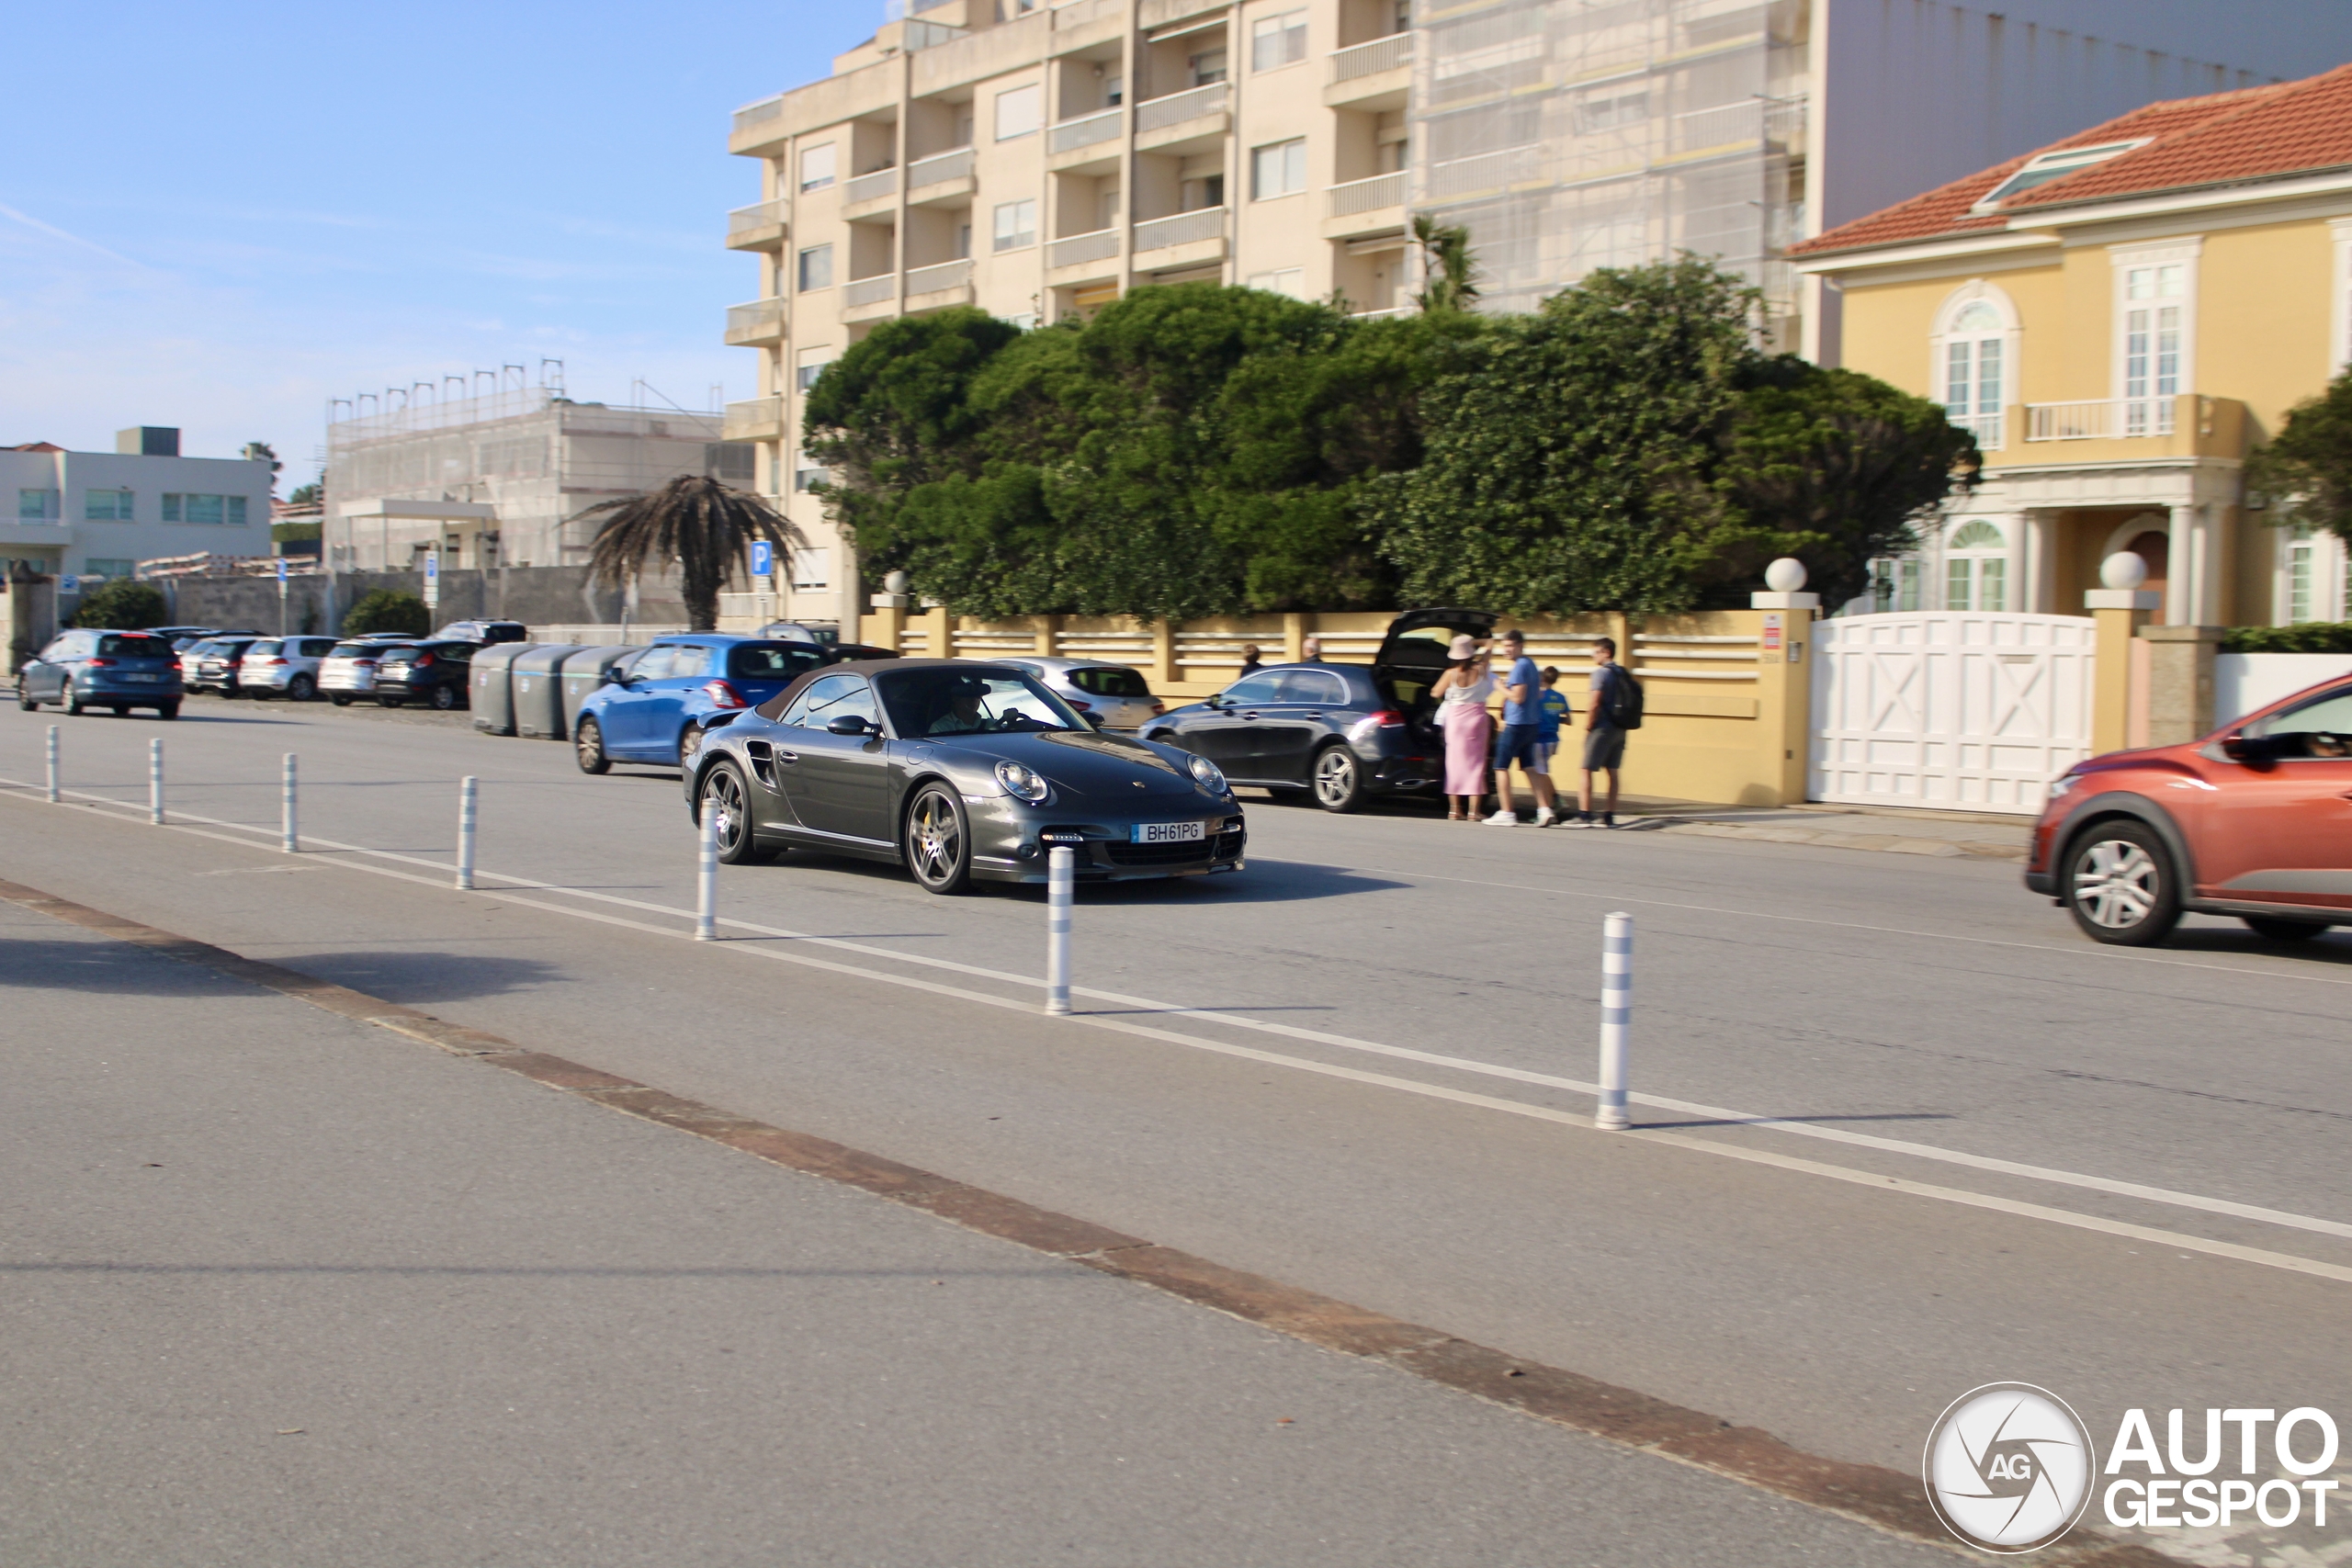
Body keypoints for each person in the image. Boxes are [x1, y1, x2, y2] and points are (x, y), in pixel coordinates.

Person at [1484, 629, 1557, 827]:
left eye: (1510, 646)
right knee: (1529, 767)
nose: (1506, 650)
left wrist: (1499, 686)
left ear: (1520, 646)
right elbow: (1538, 695)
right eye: (1505, 646)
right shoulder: (1531, 664)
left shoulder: (1519, 667)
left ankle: (1507, 811)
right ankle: (1544, 809)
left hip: (1516, 724)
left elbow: (1518, 697)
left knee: (1500, 766)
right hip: (1532, 724)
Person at [1430, 634, 1494, 821]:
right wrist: (1471, 643)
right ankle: (1474, 811)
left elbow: (1435, 692)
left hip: (1456, 720)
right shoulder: (1481, 668)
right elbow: (1490, 644)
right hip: (1477, 718)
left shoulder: (1451, 673)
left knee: (1454, 764)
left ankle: (1454, 810)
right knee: (1476, 765)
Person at [1572, 637, 1630, 827]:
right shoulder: (1623, 673)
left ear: (1606, 652)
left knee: (1586, 769)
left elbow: (1595, 702)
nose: (1593, 655)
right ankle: (1609, 816)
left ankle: (1585, 815)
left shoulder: (1601, 674)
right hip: (1620, 728)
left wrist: (1589, 725)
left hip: (1602, 727)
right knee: (1612, 771)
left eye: (1596, 651)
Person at [1535, 666, 1570, 786]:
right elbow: (1569, 720)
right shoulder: (1561, 697)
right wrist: (1554, 717)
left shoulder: (1538, 697)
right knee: (1538, 769)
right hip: (1554, 739)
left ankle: (1553, 798)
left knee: (1541, 772)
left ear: (1543, 678)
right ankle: (1548, 799)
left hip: (1541, 739)